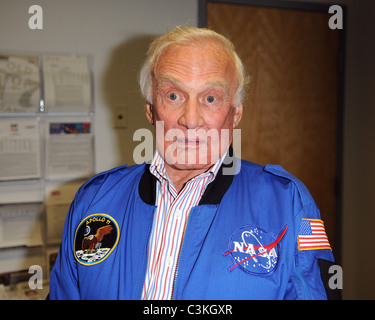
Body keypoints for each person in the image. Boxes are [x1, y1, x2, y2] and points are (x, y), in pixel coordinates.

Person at [48, 26, 339, 300]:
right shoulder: (94, 199)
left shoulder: (287, 203)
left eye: (210, 98)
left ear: (235, 113)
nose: (190, 119)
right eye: (173, 95)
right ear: (151, 109)